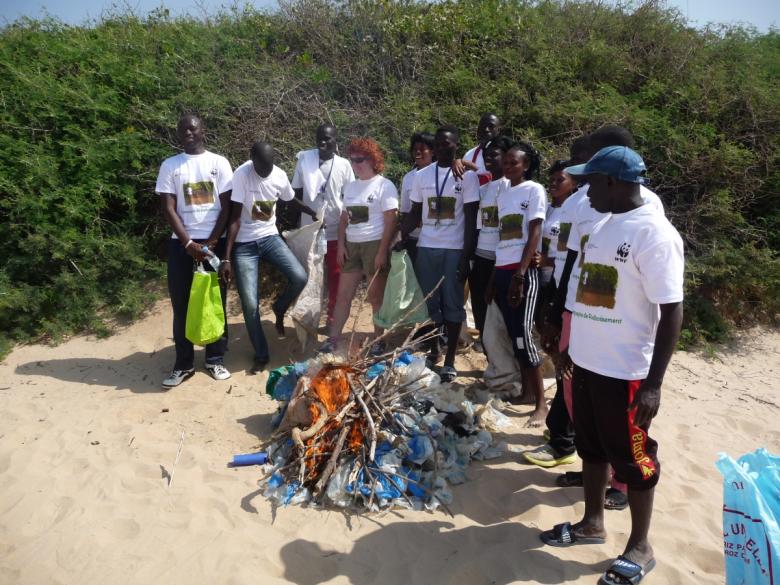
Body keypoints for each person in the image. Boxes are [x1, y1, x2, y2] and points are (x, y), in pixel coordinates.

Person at [540, 146, 684, 585]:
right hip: (585, 362)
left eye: (589, 182)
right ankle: (592, 523)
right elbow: (585, 289)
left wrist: (653, 384)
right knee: (592, 447)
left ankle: (640, 546)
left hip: (626, 370)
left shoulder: (654, 234)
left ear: (612, 184)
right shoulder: (601, 225)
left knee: (634, 459)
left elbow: (672, 310)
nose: (583, 190)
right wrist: (570, 348)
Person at [220, 141, 316, 374]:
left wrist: (310, 212)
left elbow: (289, 199)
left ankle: (279, 307)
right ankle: (261, 354)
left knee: (300, 276)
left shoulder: (279, 174)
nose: (265, 170)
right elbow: (234, 218)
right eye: (261, 166)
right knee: (250, 303)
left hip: (269, 237)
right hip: (244, 244)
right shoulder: (242, 175)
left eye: (269, 165)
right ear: (252, 161)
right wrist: (226, 257)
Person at [156, 114, 233, 388]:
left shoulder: (219, 163)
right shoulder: (170, 165)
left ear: (203, 131)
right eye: (183, 129)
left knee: (215, 301)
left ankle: (214, 359)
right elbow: (168, 208)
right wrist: (188, 243)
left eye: (193, 128)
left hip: (214, 243)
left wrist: (212, 241)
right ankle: (183, 364)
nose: (188, 132)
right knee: (182, 304)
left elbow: (227, 206)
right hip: (181, 245)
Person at [401, 125, 480, 382]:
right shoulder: (421, 177)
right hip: (427, 247)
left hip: (454, 249)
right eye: (439, 144)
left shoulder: (466, 177)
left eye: (449, 144)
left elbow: (470, 220)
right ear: (434, 148)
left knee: (453, 304)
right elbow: (414, 212)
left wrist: (467, 257)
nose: (444, 147)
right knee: (430, 303)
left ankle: (449, 361)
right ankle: (434, 349)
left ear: (456, 145)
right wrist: (397, 238)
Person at [485, 141, 548, 427]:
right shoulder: (504, 194)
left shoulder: (534, 191)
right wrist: (493, 280)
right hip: (501, 270)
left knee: (525, 335)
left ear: (527, 165)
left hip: (521, 274)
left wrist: (520, 274)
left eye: (515, 162)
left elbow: (534, 232)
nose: (509, 166)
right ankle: (524, 393)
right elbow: (503, 238)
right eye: (506, 162)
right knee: (514, 336)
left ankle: (541, 405)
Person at [318, 138, 399, 356]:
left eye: (359, 159)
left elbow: (391, 221)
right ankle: (333, 339)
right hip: (352, 246)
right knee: (344, 296)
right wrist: (341, 245)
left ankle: (379, 339)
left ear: (373, 159)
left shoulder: (385, 185)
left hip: (374, 244)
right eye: (352, 160)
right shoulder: (351, 186)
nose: (355, 164)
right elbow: (345, 218)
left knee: (375, 297)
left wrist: (382, 251)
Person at [289, 123, 355, 327]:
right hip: (310, 231)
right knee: (310, 278)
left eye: (328, 138)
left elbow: (350, 197)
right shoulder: (304, 161)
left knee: (336, 278)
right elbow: (295, 195)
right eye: (320, 138)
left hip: (336, 232)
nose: (323, 142)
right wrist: (295, 228)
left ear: (336, 140)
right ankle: (308, 321)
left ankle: (333, 321)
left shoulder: (344, 165)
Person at [467, 135, 512, 341]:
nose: (489, 159)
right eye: (486, 155)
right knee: (480, 308)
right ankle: (488, 352)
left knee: (501, 311)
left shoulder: (511, 187)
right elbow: (478, 226)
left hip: (502, 260)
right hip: (481, 257)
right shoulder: (483, 189)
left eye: (494, 154)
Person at [399, 132, 435, 265]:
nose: (418, 152)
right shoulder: (408, 178)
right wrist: (402, 235)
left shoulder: (443, 175)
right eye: (415, 150)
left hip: (434, 238)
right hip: (414, 238)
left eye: (422, 149)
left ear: (432, 151)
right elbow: (405, 210)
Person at [457, 112, 502, 177]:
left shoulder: (506, 155)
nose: (486, 129)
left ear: (498, 130)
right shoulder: (469, 155)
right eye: (483, 126)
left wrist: (469, 165)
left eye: (491, 126)